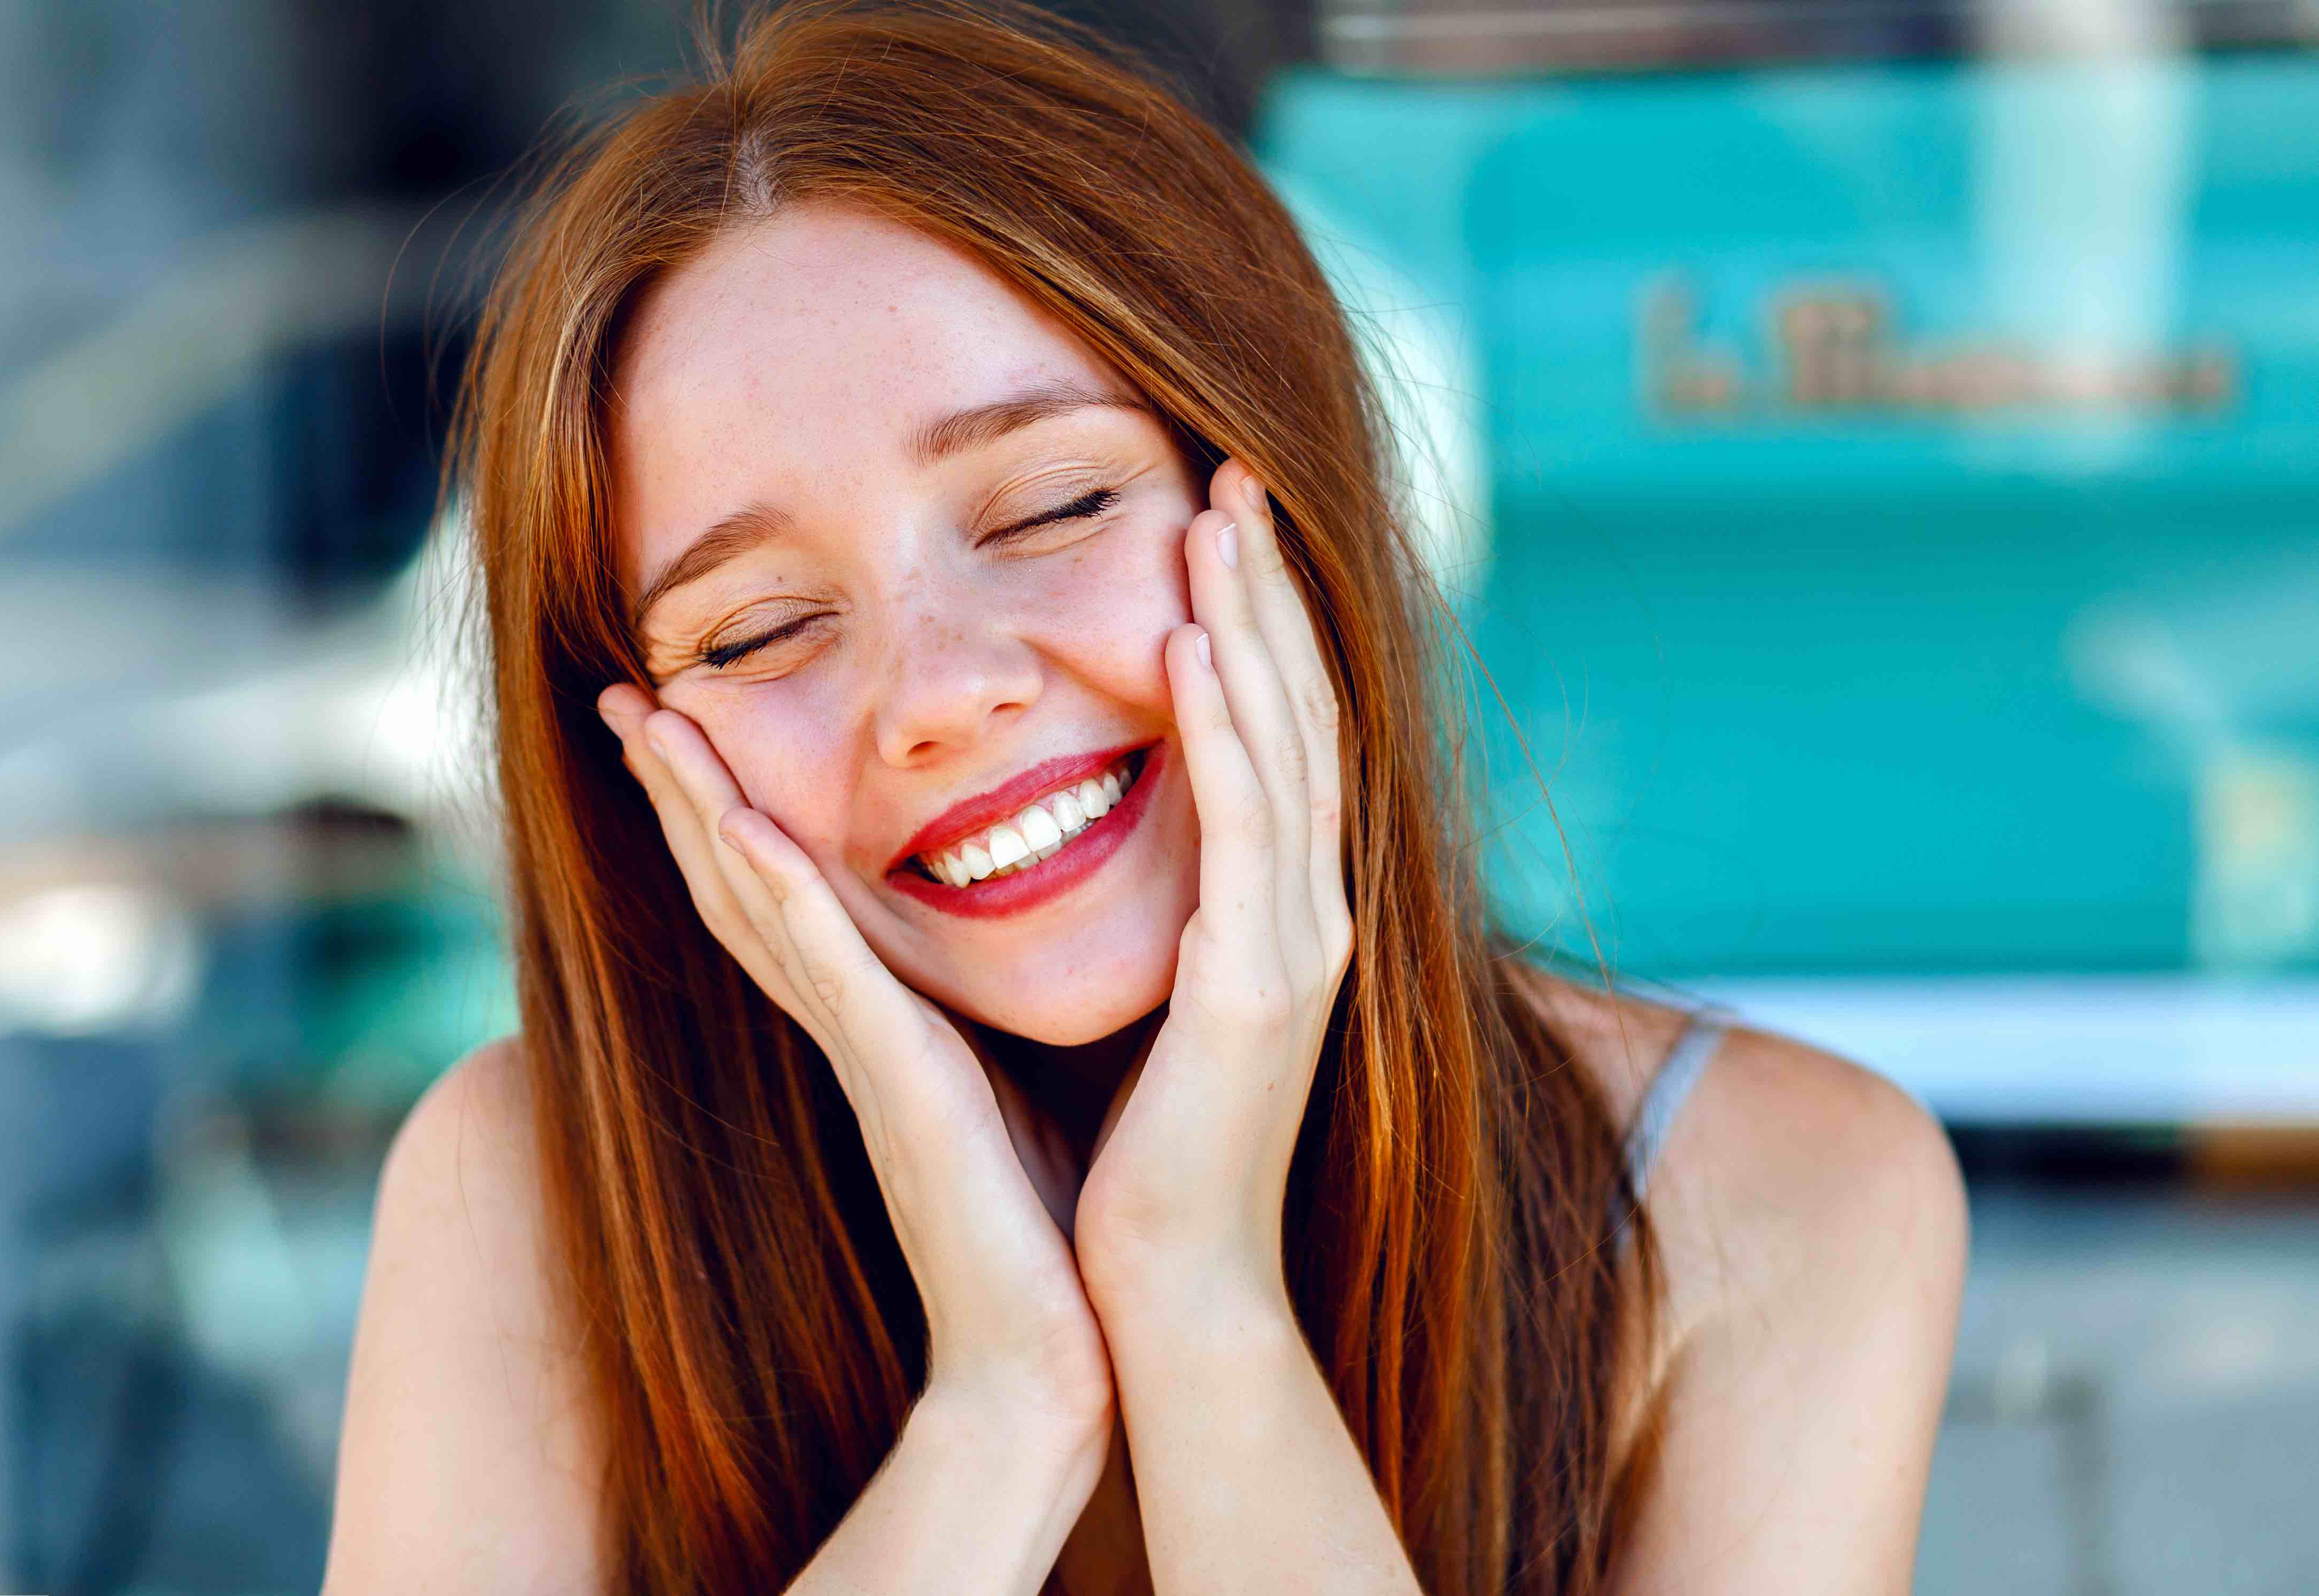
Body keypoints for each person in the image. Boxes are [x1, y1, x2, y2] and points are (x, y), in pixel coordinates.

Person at [321, 3, 1968, 1592]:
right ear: (643, 752)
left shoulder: (1775, 1196)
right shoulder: (523, 1193)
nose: (941, 694)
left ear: (1281, 504)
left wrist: (1196, 1299)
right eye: (759, 629)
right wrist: (1002, 1411)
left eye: (1047, 509)